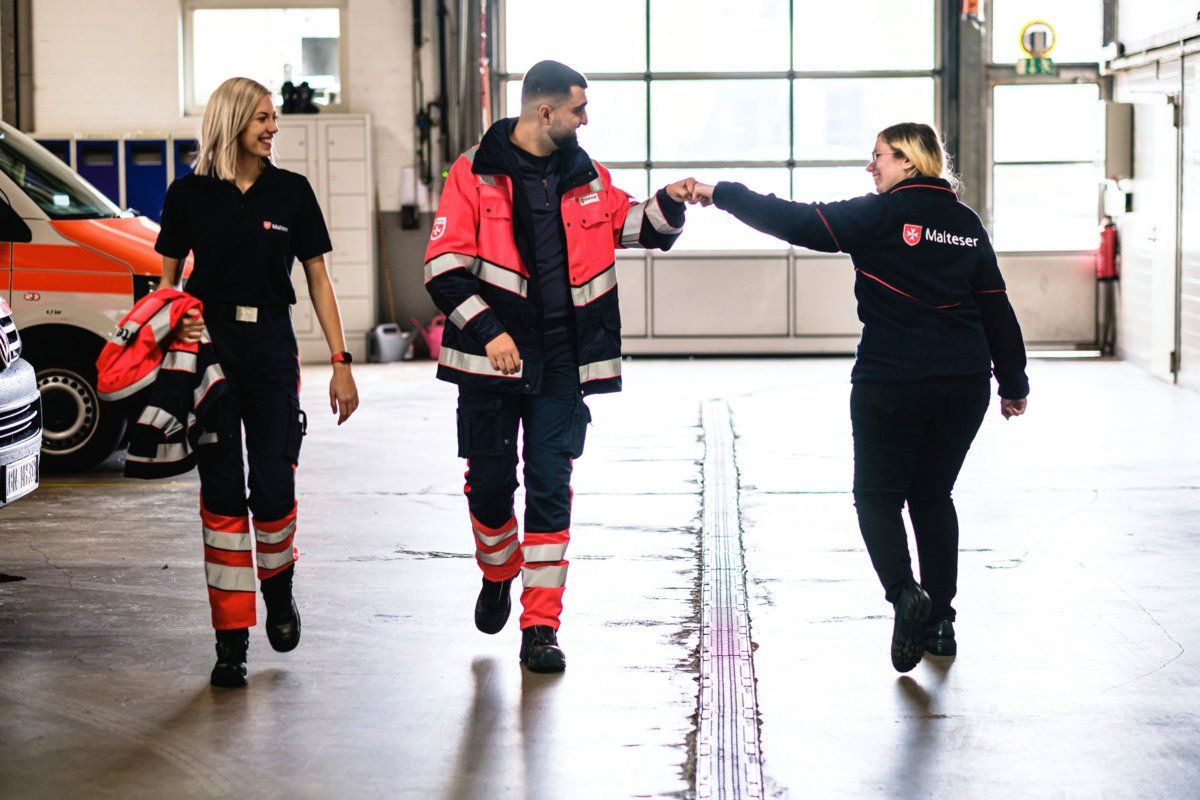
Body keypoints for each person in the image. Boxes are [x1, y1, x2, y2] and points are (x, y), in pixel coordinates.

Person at [690, 122, 1028, 673]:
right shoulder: (966, 223)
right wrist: (1013, 382)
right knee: (934, 496)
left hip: (891, 380)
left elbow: (798, 221)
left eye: (879, 157)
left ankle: (904, 595)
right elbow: (995, 303)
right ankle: (941, 623)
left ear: (910, 163)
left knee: (877, 498)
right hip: (962, 383)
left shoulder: (881, 214)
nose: (870, 167)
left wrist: (721, 194)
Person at [423, 60, 694, 673]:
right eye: (578, 109)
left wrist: (671, 203)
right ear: (545, 112)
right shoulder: (473, 172)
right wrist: (489, 333)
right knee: (491, 488)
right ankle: (498, 571)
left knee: (551, 490)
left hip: (562, 365)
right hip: (490, 363)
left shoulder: (587, 174)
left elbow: (632, 226)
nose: (586, 119)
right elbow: (441, 268)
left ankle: (539, 627)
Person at [155, 76, 360, 687]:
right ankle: (230, 639)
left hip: (272, 347)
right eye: (263, 119)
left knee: (272, 487)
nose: (274, 128)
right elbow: (165, 286)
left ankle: (278, 590)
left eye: (274, 119)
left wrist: (342, 361)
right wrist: (168, 351)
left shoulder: (292, 192)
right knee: (221, 497)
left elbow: (319, 279)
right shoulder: (188, 194)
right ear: (234, 122)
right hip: (210, 350)